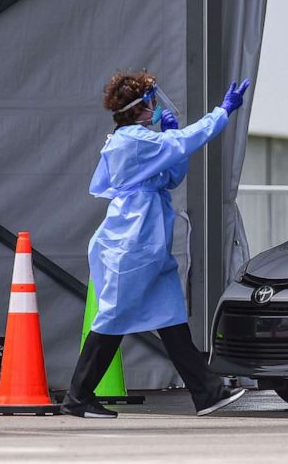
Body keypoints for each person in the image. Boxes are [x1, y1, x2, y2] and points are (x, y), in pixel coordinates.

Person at [61, 71, 251, 419]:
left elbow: (172, 174)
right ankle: (77, 398)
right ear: (138, 109)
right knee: (112, 320)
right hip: (131, 245)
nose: (156, 104)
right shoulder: (132, 141)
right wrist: (221, 113)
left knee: (171, 317)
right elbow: (185, 144)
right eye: (151, 100)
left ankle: (207, 392)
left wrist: (170, 134)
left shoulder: (139, 141)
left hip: (147, 243)